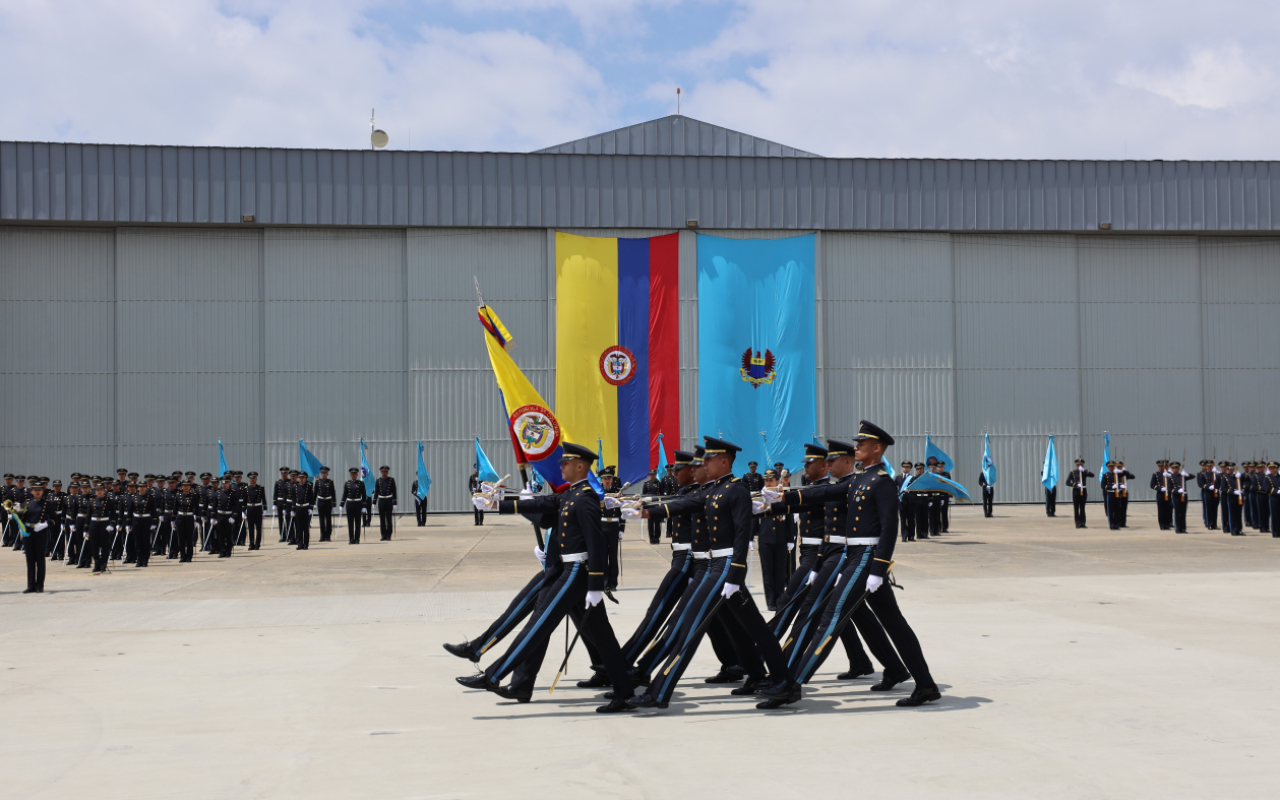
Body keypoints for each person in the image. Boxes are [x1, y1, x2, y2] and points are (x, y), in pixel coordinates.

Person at [757, 420, 942, 709]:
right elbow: (824, 493)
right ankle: (926, 684)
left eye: (862, 444)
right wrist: (783, 498)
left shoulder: (881, 482)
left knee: (831, 618)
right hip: (856, 557)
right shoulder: (859, 478)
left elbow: (889, 528)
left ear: (877, 448)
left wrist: (879, 568)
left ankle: (791, 684)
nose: (856, 447)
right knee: (895, 624)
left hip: (866, 557)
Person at [458, 442, 635, 713]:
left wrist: (597, 583)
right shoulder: (571, 495)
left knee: (537, 627)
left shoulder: (585, 498)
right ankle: (624, 691)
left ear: (580, 466)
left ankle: (493, 675)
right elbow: (542, 503)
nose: (561, 466)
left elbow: (597, 543)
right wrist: (496, 502)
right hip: (572, 573)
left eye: (566, 463)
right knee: (603, 638)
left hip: (576, 573)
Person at [628, 437, 791, 710]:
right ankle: (777, 680)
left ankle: (659, 691)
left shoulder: (736, 489)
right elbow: (683, 504)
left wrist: (736, 574)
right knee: (756, 629)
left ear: (724, 461)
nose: (702, 464)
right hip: (716, 566)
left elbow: (742, 534)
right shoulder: (714, 490)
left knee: (689, 627)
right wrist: (642, 511)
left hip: (726, 567)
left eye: (708, 460)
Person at [755, 469, 795, 611]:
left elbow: (789, 518)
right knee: (768, 572)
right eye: (766, 480)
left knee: (780, 572)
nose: (768, 482)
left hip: (781, 539)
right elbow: (753, 517)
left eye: (771, 480)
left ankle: (780, 599)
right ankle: (770, 601)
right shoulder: (760, 496)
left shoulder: (782, 495)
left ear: (777, 481)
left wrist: (791, 538)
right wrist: (751, 537)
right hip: (765, 539)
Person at [16, 479, 50, 592]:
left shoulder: (46, 503)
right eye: (35, 490)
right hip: (28, 532)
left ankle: (40, 585)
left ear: (42, 491)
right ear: (31, 491)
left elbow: (55, 520)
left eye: (39, 490)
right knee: (30, 559)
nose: (37, 492)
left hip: (41, 532)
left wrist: (45, 524)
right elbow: (22, 519)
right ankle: (31, 585)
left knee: (40, 559)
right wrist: (17, 513)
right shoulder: (27, 503)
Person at [599, 466, 623, 594]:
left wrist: (621, 529)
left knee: (613, 556)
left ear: (612, 479)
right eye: (604, 478)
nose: (607, 481)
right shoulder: (598, 492)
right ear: (601, 480)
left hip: (614, 526)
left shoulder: (618, 492)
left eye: (609, 478)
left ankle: (613, 582)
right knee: (603, 556)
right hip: (601, 526)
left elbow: (622, 513)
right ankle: (604, 581)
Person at [1065, 459, 1094, 529]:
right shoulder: (1073, 472)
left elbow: (1092, 475)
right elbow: (1067, 482)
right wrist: (1075, 484)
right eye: (1078, 465)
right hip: (1076, 491)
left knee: (1082, 507)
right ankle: (1077, 523)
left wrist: (1083, 470)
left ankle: (1083, 523)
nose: (1079, 466)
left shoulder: (1084, 472)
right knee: (1076, 508)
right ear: (1076, 466)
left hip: (1083, 491)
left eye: (1081, 465)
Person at [341, 468, 366, 544]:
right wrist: (341, 504)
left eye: (355, 474)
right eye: (352, 474)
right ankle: (351, 539)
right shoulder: (347, 483)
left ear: (357, 474)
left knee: (357, 522)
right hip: (349, 504)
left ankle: (357, 539)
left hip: (358, 503)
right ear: (350, 475)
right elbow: (344, 495)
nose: (353, 475)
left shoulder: (361, 483)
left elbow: (364, 495)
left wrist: (364, 506)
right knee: (350, 522)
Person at [243, 472, 266, 549]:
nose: (252, 480)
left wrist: (265, 509)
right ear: (249, 479)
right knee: (250, 527)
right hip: (250, 509)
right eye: (251, 478)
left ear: (256, 479)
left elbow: (264, 499)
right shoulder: (246, 489)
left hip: (258, 508)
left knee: (258, 527)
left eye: (254, 478)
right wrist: (243, 511)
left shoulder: (260, 488)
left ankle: (257, 544)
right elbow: (244, 501)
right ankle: (251, 543)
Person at [374, 466, 397, 541]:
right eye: (383, 472)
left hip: (389, 500)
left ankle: (389, 535)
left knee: (389, 518)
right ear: (381, 472)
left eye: (386, 471)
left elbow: (394, 491)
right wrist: (374, 502)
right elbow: (376, 491)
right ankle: (383, 535)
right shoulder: (378, 480)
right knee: (382, 518)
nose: (384, 473)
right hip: (381, 500)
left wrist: (395, 502)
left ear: (388, 472)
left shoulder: (391, 480)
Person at [314, 467, 336, 542]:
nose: (324, 474)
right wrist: (313, 503)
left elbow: (333, 493)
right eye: (322, 473)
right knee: (321, 519)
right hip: (320, 501)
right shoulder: (318, 481)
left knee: (328, 519)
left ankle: (328, 536)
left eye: (325, 473)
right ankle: (322, 536)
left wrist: (334, 504)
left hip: (328, 501)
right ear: (321, 474)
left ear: (327, 474)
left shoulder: (330, 482)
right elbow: (315, 493)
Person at [641, 469, 663, 544]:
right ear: (649, 475)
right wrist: (643, 506)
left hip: (657, 504)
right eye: (651, 475)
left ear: (655, 475)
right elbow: (643, 495)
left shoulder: (659, 483)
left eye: (654, 475)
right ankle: (651, 538)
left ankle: (657, 538)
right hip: (649, 505)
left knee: (657, 522)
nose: (652, 476)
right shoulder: (646, 484)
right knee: (650, 523)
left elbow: (662, 495)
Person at [1197, 460, 1220, 530]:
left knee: (1215, 508)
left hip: (1215, 492)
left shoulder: (1216, 474)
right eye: (1208, 466)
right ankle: (1209, 523)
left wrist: (1219, 474)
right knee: (1208, 508)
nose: (1209, 467)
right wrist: (1208, 486)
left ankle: (1214, 524)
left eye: (1211, 466)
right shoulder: (1202, 474)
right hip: (1207, 492)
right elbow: (1200, 484)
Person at [1152, 460, 1172, 531]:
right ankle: (1162, 525)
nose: (1161, 467)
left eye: (1162, 466)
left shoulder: (1169, 474)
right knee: (1161, 510)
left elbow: (1173, 483)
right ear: (1158, 467)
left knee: (1168, 509)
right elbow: (1152, 485)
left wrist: (1168, 489)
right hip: (1160, 494)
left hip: (1168, 493)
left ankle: (1167, 524)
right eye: (1159, 466)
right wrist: (1160, 488)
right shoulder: (1156, 474)